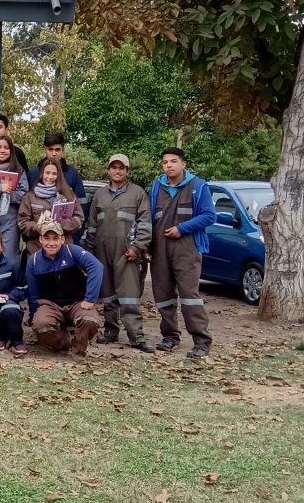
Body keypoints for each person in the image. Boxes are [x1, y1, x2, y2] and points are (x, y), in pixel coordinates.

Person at [82, 154, 154, 353]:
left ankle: (136, 336)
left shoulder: (138, 194)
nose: (117, 171)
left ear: (127, 171)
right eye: (114, 167)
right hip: (101, 252)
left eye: (121, 168)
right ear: (108, 170)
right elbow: (92, 225)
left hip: (127, 252)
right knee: (108, 295)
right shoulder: (100, 195)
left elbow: (145, 224)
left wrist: (137, 247)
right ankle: (110, 331)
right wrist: (89, 252)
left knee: (129, 295)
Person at [148, 148, 215, 358]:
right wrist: (146, 246)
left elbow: (209, 216)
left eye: (174, 161)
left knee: (189, 295)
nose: (169, 165)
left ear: (183, 164)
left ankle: (201, 341)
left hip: (187, 248)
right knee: (163, 294)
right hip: (159, 247)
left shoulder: (198, 186)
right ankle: (170, 336)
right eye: (165, 162)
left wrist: (182, 229)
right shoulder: (157, 186)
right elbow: (150, 217)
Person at [26, 218, 103, 356]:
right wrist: (33, 316)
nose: (51, 243)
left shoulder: (73, 251)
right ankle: (65, 342)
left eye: (55, 238)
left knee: (90, 320)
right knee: (40, 324)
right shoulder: (34, 261)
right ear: (40, 240)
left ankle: (79, 349)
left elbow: (96, 266)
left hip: (77, 302)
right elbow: (33, 292)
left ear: (62, 239)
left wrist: (90, 298)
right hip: (50, 304)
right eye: (47, 238)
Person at [18, 157, 85, 255]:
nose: (50, 177)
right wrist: (38, 227)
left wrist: (59, 224)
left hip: (63, 252)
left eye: (54, 174)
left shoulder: (68, 195)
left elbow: (79, 220)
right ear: (41, 174)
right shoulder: (30, 197)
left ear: (59, 175)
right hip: (37, 251)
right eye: (47, 173)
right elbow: (22, 222)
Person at [28, 132, 88, 234]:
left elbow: (82, 206)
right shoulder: (34, 173)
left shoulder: (72, 173)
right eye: (50, 149)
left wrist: (75, 232)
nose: (54, 153)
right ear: (45, 149)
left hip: (66, 235)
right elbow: (26, 207)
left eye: (57, 150)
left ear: (62, 150)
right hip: (38, 236)